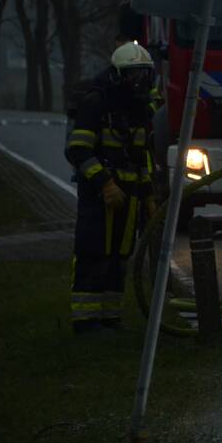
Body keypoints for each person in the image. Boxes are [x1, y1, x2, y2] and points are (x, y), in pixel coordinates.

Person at [64, 42, 156, 334]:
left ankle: (110, 318)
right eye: (133, 75)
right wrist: (104, 183)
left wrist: (149, 196)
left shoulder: (141, 109)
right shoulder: (96, 103)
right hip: (99, 196)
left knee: (119, 258)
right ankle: (85, 321)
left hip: (129, 197)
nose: (139, 81)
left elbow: (142, 158)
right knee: (94, 253)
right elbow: (78, 150)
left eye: (144, 75)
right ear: (117, 75)